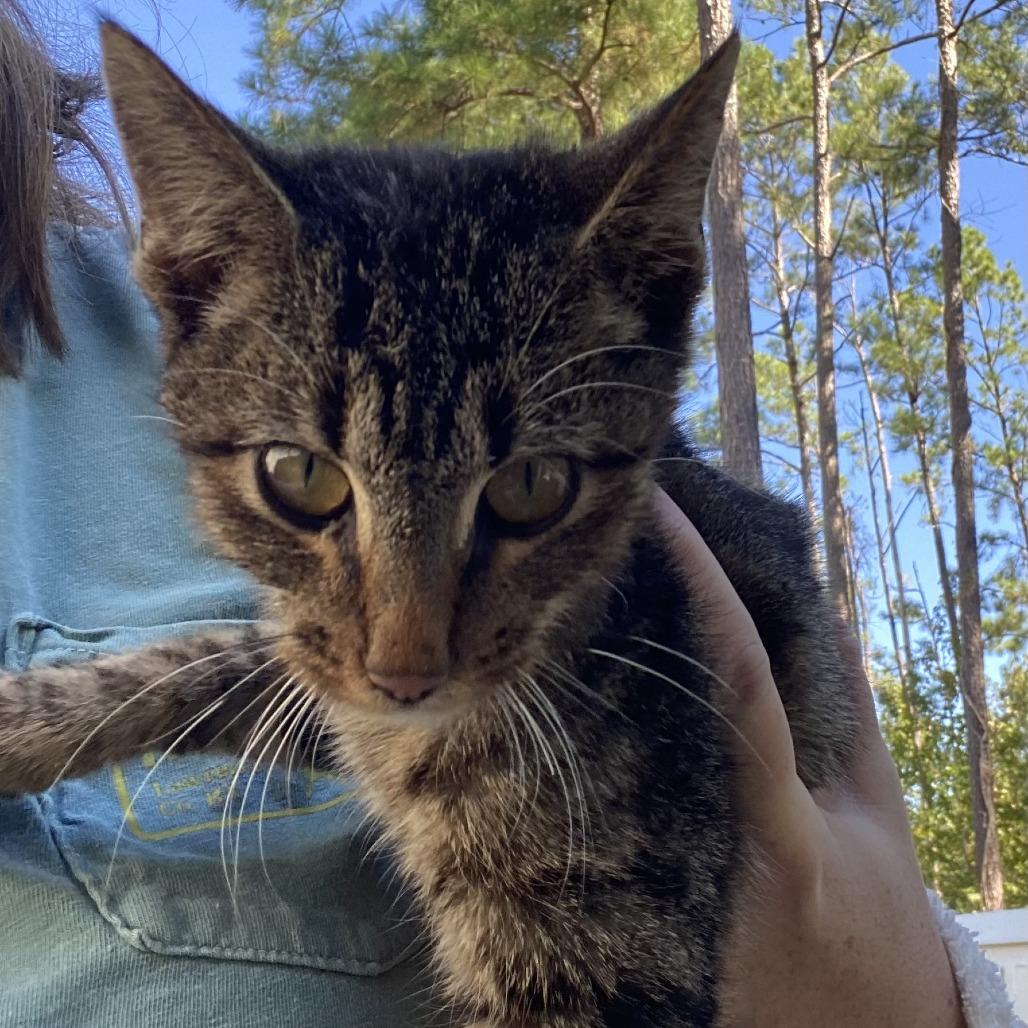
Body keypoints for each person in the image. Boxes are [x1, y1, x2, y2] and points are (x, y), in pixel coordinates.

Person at [0, 6, 1018, 1026]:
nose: (407, 649)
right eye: (306, 486)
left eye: (525, 493)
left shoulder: (620, 677)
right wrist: (81, 709)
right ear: (192, 283)